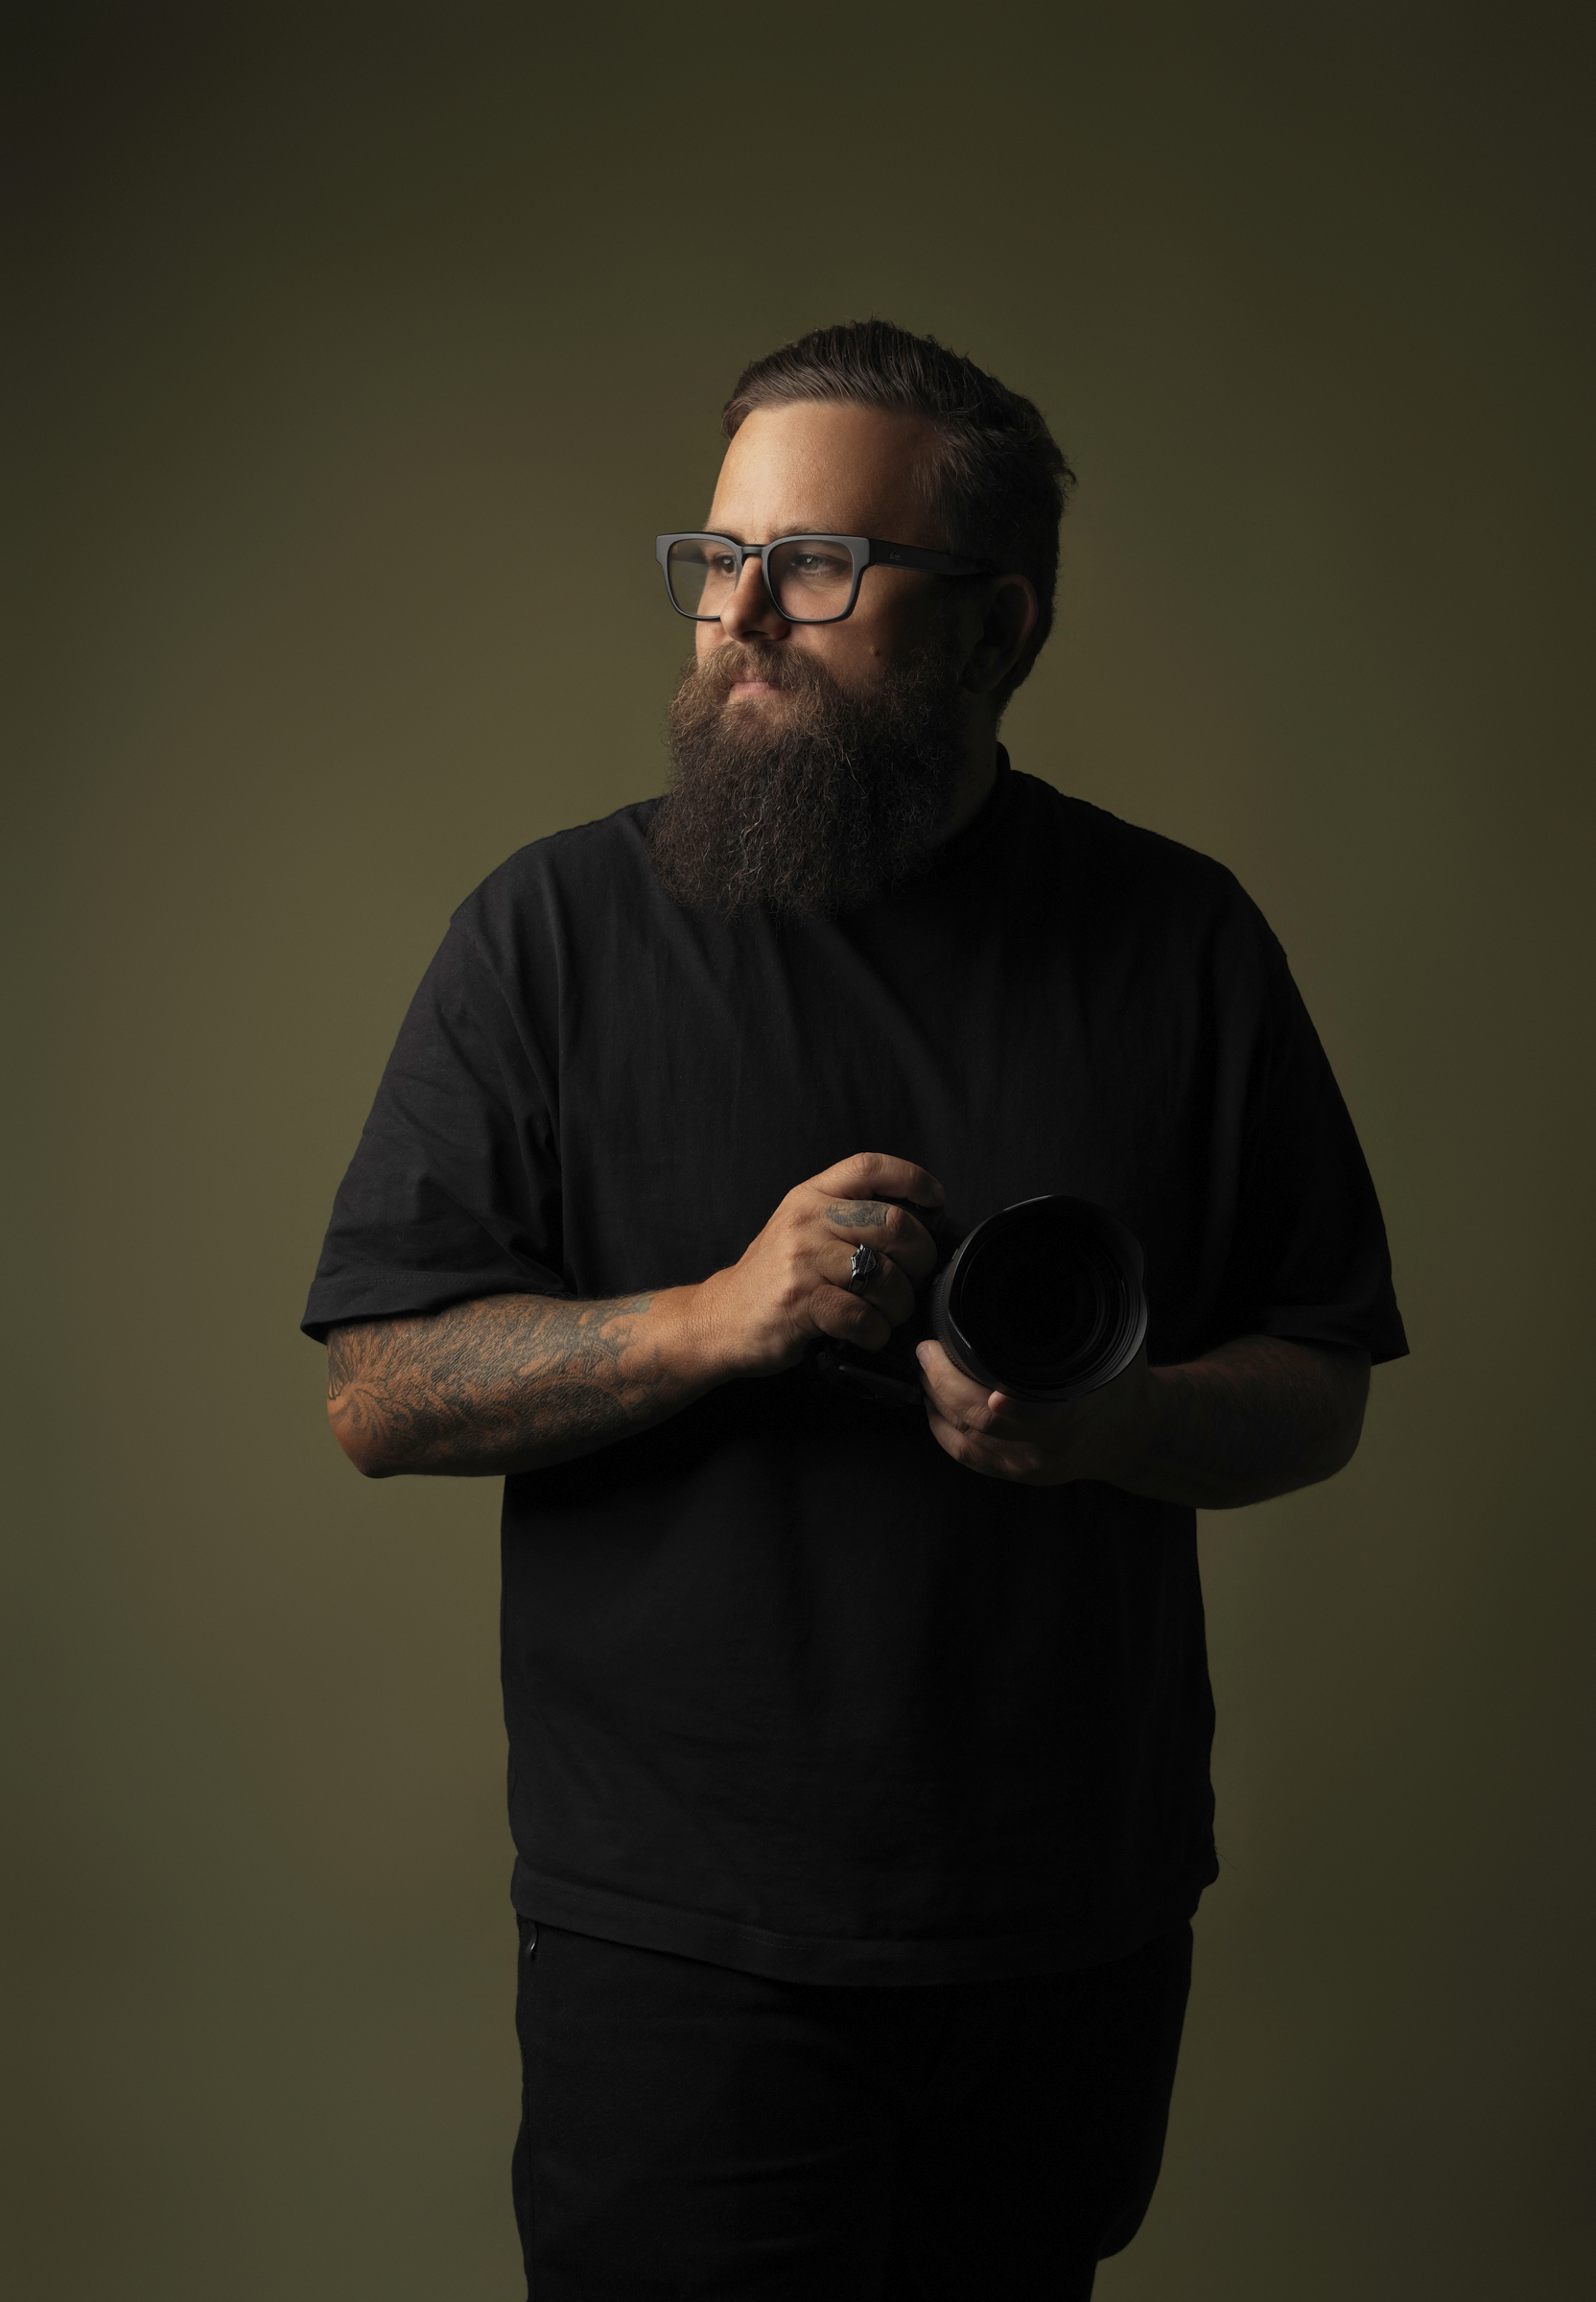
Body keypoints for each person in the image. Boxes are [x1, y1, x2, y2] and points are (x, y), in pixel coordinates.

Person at [304, 318, 1406, 2301]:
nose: (739, 616)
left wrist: (1114, 1425)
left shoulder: (1179, 941)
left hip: (1064, 1930)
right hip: (679, 1942)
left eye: (815, 566)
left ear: (997, 629)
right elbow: (379, 1389)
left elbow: (1320, 1384)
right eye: (717, 558)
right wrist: (718, 1317)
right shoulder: (548, 937)